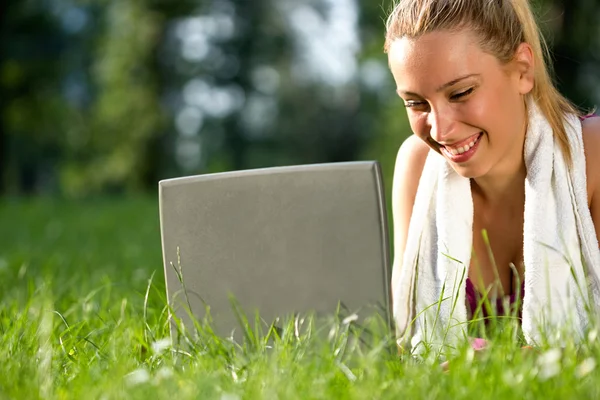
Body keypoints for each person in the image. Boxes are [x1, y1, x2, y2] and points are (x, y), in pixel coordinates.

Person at [385, 0, 600, 354]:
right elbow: (402, 338)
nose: (440, 129)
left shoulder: (590, 155)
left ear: (522, 70)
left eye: (461, 93)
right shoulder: (416, 164)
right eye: (416, 104)